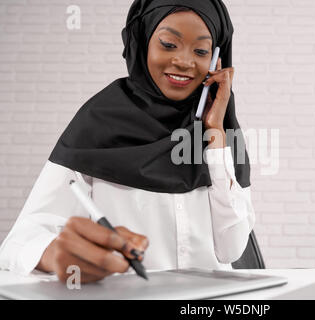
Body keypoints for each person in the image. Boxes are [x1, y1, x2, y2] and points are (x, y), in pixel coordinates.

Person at [0, 0, 255, 284]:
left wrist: (216, 136)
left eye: (201, 51)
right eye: (169, 44)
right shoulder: (99, 121)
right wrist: (54, 254)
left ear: (216, 60)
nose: (184, 61)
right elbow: (18, 242)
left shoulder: (223, 132)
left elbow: (231, 248)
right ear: (142, 42)